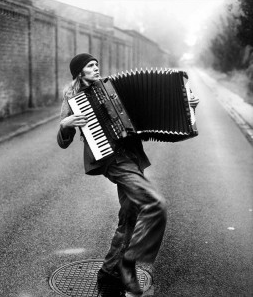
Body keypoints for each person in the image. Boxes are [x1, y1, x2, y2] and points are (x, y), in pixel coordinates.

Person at [57, 53, 198, 295]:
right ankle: (128, 261)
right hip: (111, 158)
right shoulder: (74, 99)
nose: (96, 68)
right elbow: (63, 142)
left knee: (130, 213)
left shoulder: (111, 86)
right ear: (79, 72)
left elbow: (149, 105)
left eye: (96, 64)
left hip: (132, 155)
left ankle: (111, 270)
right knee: (155, 204)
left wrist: (187, 106)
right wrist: (65, 125)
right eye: (90, 66)